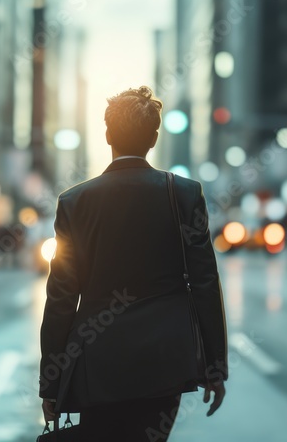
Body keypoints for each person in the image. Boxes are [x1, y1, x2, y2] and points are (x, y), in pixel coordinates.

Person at [39, 86, 228, 441]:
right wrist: (215, 366)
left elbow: (61, 298)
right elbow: (205, 281)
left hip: (98, 360)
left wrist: (51, 383)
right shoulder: (184, 194)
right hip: (164, 360)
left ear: (107, 134)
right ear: (154, 138)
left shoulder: (74, 202)